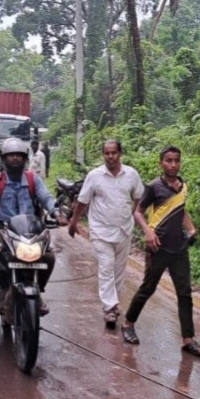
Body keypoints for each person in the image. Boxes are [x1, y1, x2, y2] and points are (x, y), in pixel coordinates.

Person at [120, 145, 200, 358]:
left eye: (176, 160)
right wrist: (148, 232)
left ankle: (188, 339)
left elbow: (181, 210)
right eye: (169, 161)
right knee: (148, 288)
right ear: (161, 163)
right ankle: (128, 323)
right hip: (157, 247)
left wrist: (191, 228)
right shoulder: (153, 187)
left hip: (179, 248)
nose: (173, 165)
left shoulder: (182, 186)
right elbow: (138, 212)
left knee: (184, 293)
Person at [0, 137, 67, 321]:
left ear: (25, 158)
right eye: (11, 155)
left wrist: (57, 213)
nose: (15, 158)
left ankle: (38, 291)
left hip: (30, 231)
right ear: (4, 158)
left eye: (19, 155)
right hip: (3, 230)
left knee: (49, 257)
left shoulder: (33, 179)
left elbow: (46, 198)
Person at [68, 140, 144, 328]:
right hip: (101, 230)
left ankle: (114, 303)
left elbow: (138, 197)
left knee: (119, 270)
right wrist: (74, 221)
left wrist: (131, 214)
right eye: (107, 153)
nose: (110, 156)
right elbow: (83, 201)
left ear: (120, 154)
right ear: (103, 155)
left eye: (113, 153)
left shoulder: (131, 174)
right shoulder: (94, 176)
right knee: (106, 267)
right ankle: (109, 307)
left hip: (124, 230)